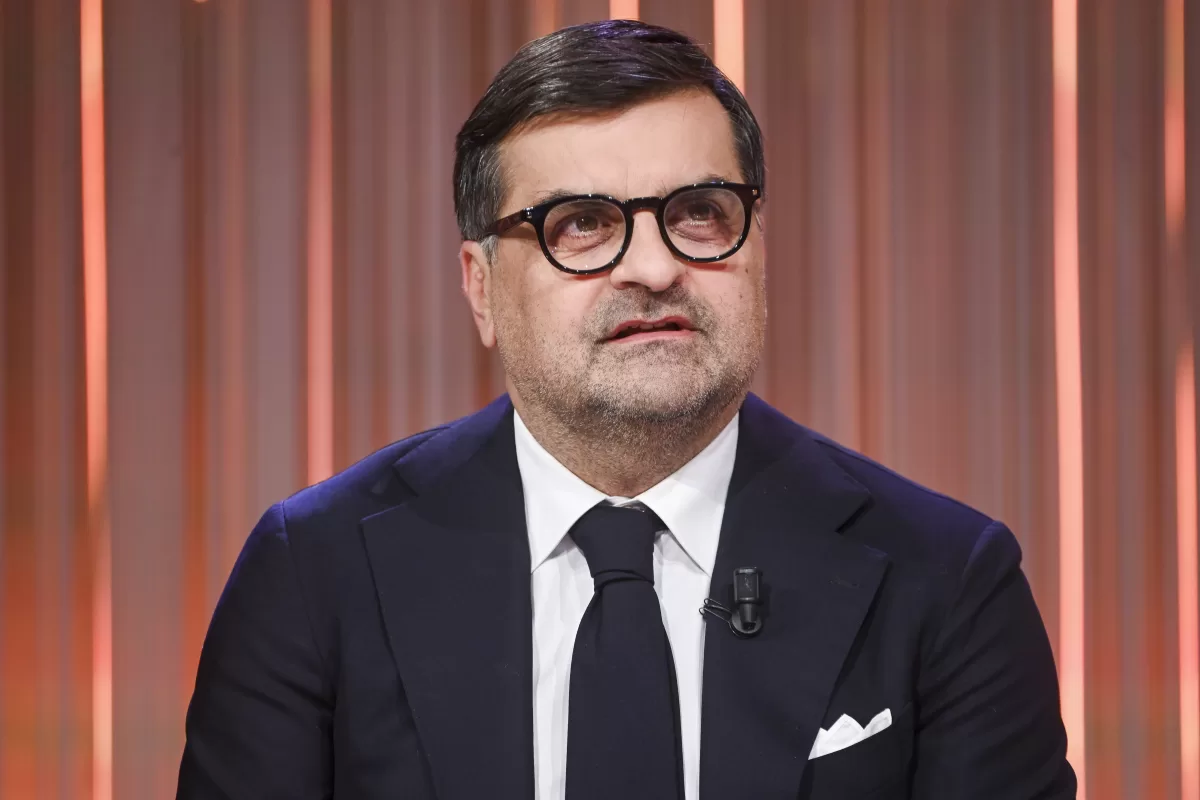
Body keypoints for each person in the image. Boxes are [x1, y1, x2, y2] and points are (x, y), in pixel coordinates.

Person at [177, 19, 1076, 800]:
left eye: (699, 212)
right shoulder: (315, 575)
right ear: (481, 287)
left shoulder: (947, 580)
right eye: (581, 223)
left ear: (758, 247)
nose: (652, 267)